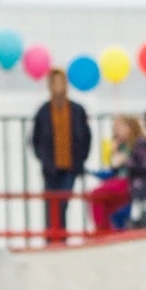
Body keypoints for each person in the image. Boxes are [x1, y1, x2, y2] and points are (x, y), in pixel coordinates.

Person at [30, 67, 92, 244]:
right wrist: (44, 159)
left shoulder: (77, 110)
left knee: (63, 204)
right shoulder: (43, 111)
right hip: (50, 168)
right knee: (51, 206)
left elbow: (86, 137)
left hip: (70, 167)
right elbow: (35, 139)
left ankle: (60, 238)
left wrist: (80, 160)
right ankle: (52, 239)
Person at [87, 115, 146, 232]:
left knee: (97, 194)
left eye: (119, 128)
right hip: (121, 183)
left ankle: (101, 231)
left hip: (132, 184)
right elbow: (114, 171)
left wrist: (126, 160)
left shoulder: (140, 143)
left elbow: (145, 167)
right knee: (104, 204)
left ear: (129, 127)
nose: (116, 131)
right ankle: (105, 230)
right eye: (115, 128)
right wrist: (114, 155)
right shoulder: (121, 146)